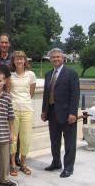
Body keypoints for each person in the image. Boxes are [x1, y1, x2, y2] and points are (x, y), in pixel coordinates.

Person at [41, 48, 80, 178]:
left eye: (58, 57)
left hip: (67, 114)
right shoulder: (48, 74)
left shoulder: (71, 73)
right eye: (53, 57)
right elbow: (46, 94)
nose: (55, 59)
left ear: (63, 58)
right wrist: (44, 111)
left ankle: (68, 167)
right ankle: (56, 162)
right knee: (54, 140)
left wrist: (73, 113)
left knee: (69, 142)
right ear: (50, 59)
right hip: (52, 113)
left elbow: (75, 95)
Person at [9, 51, 36, 176]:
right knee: (13, 138)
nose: (19, 61)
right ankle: (13, 164)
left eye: (21, 59)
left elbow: (31, 93)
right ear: (13, 61)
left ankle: (23, 163)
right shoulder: (10, 75)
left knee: (25, 138)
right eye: (17, 59)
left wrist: (23, 102)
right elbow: (8, 92)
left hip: (27, 109)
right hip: (13, 109)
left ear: (25, 60)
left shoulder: (31, 75)